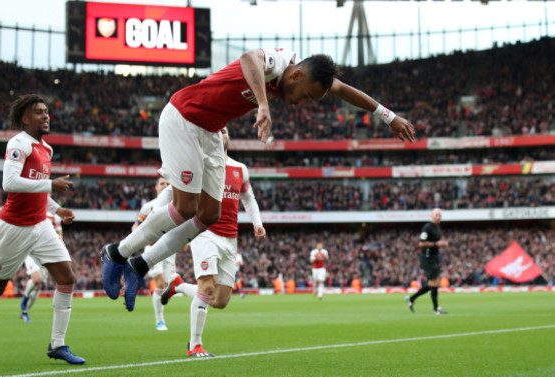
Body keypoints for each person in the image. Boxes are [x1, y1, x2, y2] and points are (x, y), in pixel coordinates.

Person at [101, 48, 415, 312]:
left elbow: (343, 90)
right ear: (296, 75)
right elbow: (249, 58)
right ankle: (117, 253)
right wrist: (263, 104)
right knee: (185, 207)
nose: (300, 104)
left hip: (210, 130)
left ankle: (140, 265)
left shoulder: (300, 79)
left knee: (210, 213)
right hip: (183, 117)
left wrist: (388, 116)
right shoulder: (278, 63)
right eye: (304, 96)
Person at [0, 94, 85, 365]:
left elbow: (36, 187)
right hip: (13, 226)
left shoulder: (46, 149)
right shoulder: (18, 144)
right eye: (39, 112)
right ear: (25, 118)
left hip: (40, 223)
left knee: (66, 277)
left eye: (47, 111)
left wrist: (56, 209)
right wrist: (51, 184)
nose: (46, 116)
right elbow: (10, 182)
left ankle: (57, 344)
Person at [161, 126, 266, 357]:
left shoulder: (240, 169)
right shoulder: (202, 164)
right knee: (207, 286)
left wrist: (257, 223)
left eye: (225, 130)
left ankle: (178, 285)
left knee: (220, 300)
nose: (221, 133)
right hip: (204, 232)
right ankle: (194, 345)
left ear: (229, 137)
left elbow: (249, 199)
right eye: (217, 130)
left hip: (230, 238)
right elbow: (176, 193)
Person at [132, 176, 176, 330]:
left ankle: (161, 318)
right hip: (153, 249)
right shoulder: (149, 206)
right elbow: (136, 225)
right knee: (160, 281)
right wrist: (138, 236)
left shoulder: (177, 205)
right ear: (156, 187)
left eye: (168, 184)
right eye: (162, 183)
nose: (165, 186)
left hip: (171, 250)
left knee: (166, 285)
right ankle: (160, 321)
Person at [20, 212, 62, 323]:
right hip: (31, 250)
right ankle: (24, 300)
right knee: (37, 279)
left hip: (45, 253)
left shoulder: (55, 216)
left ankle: (25, 312)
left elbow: (59, 234)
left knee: (38, 286)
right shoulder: (34, 209)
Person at [406, 208, 449, 315]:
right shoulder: (427, 227)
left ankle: (412, 298)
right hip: (427, 257)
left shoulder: (437, 228)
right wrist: (436, 244)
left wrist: (442, 243)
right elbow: (421, 243)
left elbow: (436, 241)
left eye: (439, 215)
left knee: (433, 283)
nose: (438, 217)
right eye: (436, 215)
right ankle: (436, 308)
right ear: (432, 216)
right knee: (434, 282)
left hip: (434, 256)